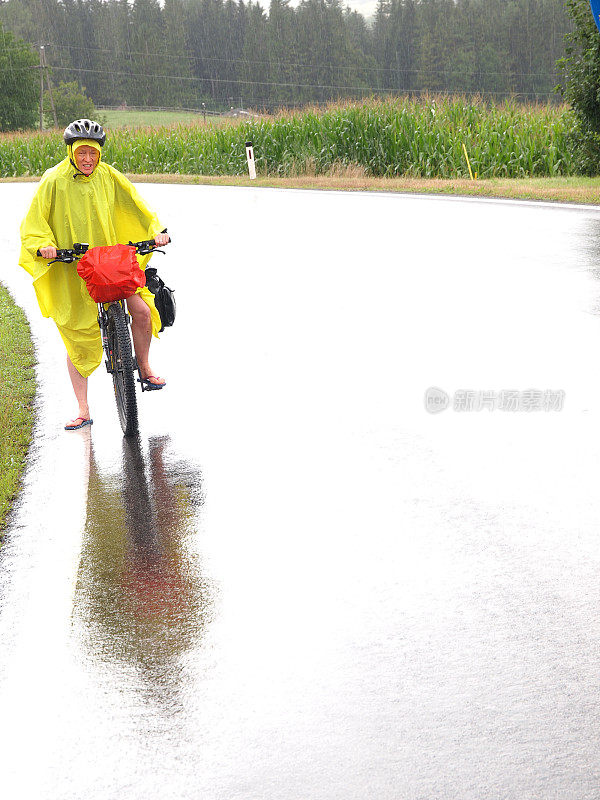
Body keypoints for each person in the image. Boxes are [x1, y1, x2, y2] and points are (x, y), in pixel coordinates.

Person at [19, 118, 169, 431]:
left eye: (93, 153)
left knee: (141, 312)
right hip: (74, 268)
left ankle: (142, 367)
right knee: (78, 338)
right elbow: (35, 221)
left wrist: (156, 231)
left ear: (99, 153)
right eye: (82, 152)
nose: (88, 159)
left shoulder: (109, 175)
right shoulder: (54, 180)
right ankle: (83, 409)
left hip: (111, 263)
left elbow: (137, 205)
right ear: (72, 151)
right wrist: (45, 245)